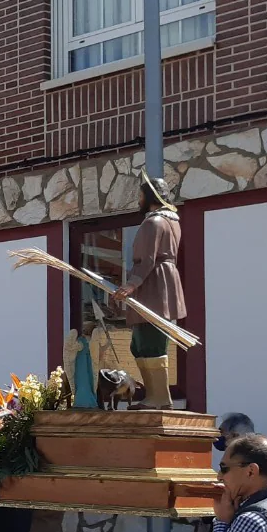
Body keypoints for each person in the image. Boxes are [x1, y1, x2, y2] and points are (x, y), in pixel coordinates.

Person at [109, 172, 185, 408]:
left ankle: (160, 397)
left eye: (140, 195)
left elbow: (147, 259)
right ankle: (155, 395)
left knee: (149, 341)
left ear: (149, 195)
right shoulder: (171, 222)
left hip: (153, 285)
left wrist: (131, 284)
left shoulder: (154, 222)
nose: (138, 200)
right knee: (141, 343)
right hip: (160, 283)